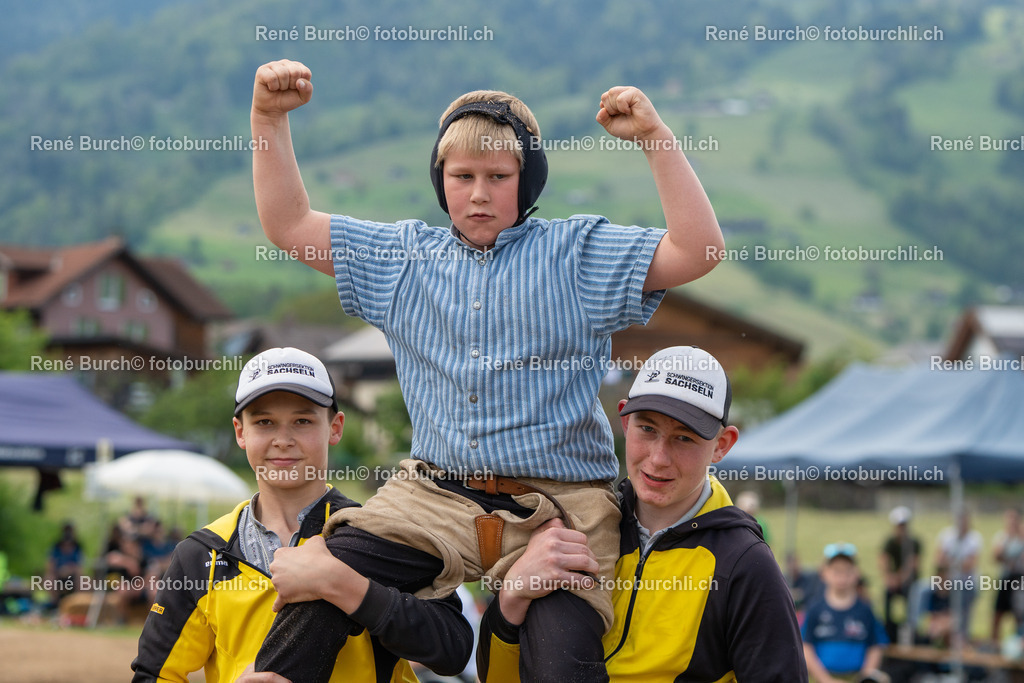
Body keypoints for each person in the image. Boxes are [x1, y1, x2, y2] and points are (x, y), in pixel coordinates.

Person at [249, 58, 724, 682]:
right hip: (431, 495)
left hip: (560, 505)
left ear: (526, 184)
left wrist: (655, 139)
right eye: (462, 175)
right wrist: (268, 117)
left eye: (498, 176)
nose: (478, 193)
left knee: (562, 648)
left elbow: (699, 250)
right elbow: (288, 226)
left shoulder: (574, 255)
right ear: (439, 179)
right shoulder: (402, 259)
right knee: (317, 584)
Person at [131, 347, 472, 683]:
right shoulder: (202, 554)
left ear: (334, 427)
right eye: (265, 422)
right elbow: (153, 674)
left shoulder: (380, 534)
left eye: (302, 421)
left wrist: (349, 589)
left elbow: (452, 648)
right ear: (240, 432)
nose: (283, 439)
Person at [474, 346, 808, 681]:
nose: (659, 458)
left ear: (722, 445)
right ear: (624, 420)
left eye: (684, 438)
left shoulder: (746, 566)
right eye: (647, 429)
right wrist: (513, 595)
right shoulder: (575, 526)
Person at [802, 543, 890, 683]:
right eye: (836, 571)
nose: (842, 577)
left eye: (847, 571)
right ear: (824, 573)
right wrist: (825, 679)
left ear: (856, 573)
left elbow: (876, 646)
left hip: (856, 677)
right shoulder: (815, 609)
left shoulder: (866, 610)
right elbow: (806, 647)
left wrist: (865, 676)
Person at [935, 510, 982, 644]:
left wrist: (951, 562)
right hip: (946, 581)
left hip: (966, 583)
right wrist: (957, 564)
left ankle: (962, 636)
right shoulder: (946, 535)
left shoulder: (974, 538)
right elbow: (939, 560)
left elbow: (970, 565)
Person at [879, 505, 921, 642]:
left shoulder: (914, 542)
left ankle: (910, 631)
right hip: (895, 580)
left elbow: (912, 564)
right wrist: (889, 577)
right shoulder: (890, 542)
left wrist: (900, 578)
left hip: (910, 582)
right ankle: (889, 630)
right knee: (887, 596)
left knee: (911, 599)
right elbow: (883, 560)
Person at [991, 507, 1024, 643]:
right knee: (997, 612)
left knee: (1019, 614)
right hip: (1005, 578)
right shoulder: (1002, 537)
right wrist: (1008, 539)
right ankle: (994, 642)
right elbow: (996, 556)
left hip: (1020, 579)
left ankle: (1018, 639)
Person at [45, 522, 83, 606]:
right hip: (57, 574)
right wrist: (58, 571)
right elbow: (50, 564)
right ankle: (55, 603)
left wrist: (69, 569)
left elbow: (80, 567)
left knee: (82, 579)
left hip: (73, 575)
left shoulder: (77, 547)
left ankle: (77, 603)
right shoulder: (56, 547)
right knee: (49, 578)